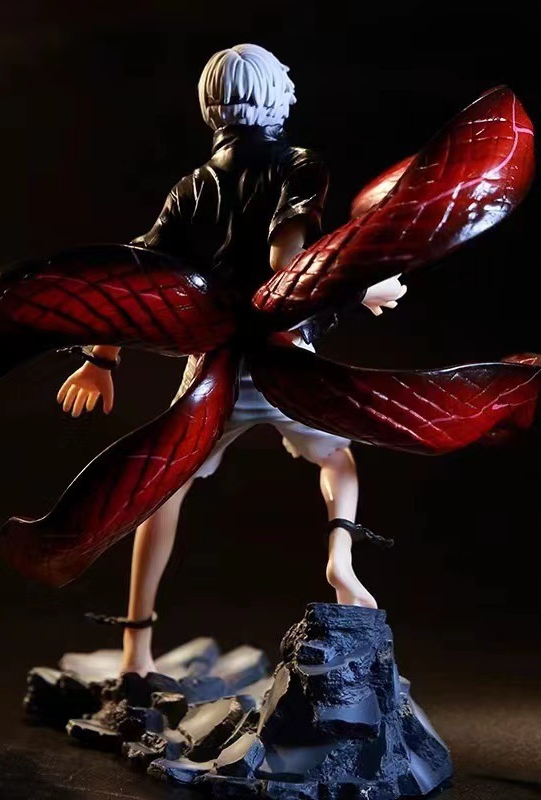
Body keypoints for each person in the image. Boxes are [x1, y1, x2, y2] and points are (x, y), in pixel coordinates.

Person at [55, 44, 406, 676]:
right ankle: (340, 560)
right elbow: (285, 270)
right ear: (276, 97)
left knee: (164, 493)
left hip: (213, 368)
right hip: (281, 362)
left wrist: (99, 359)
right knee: (336, 459)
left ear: (209, 105)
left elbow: (140, 272)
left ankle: (136, 651)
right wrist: (361, 288)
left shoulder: (194, 185)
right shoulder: (300, 166)